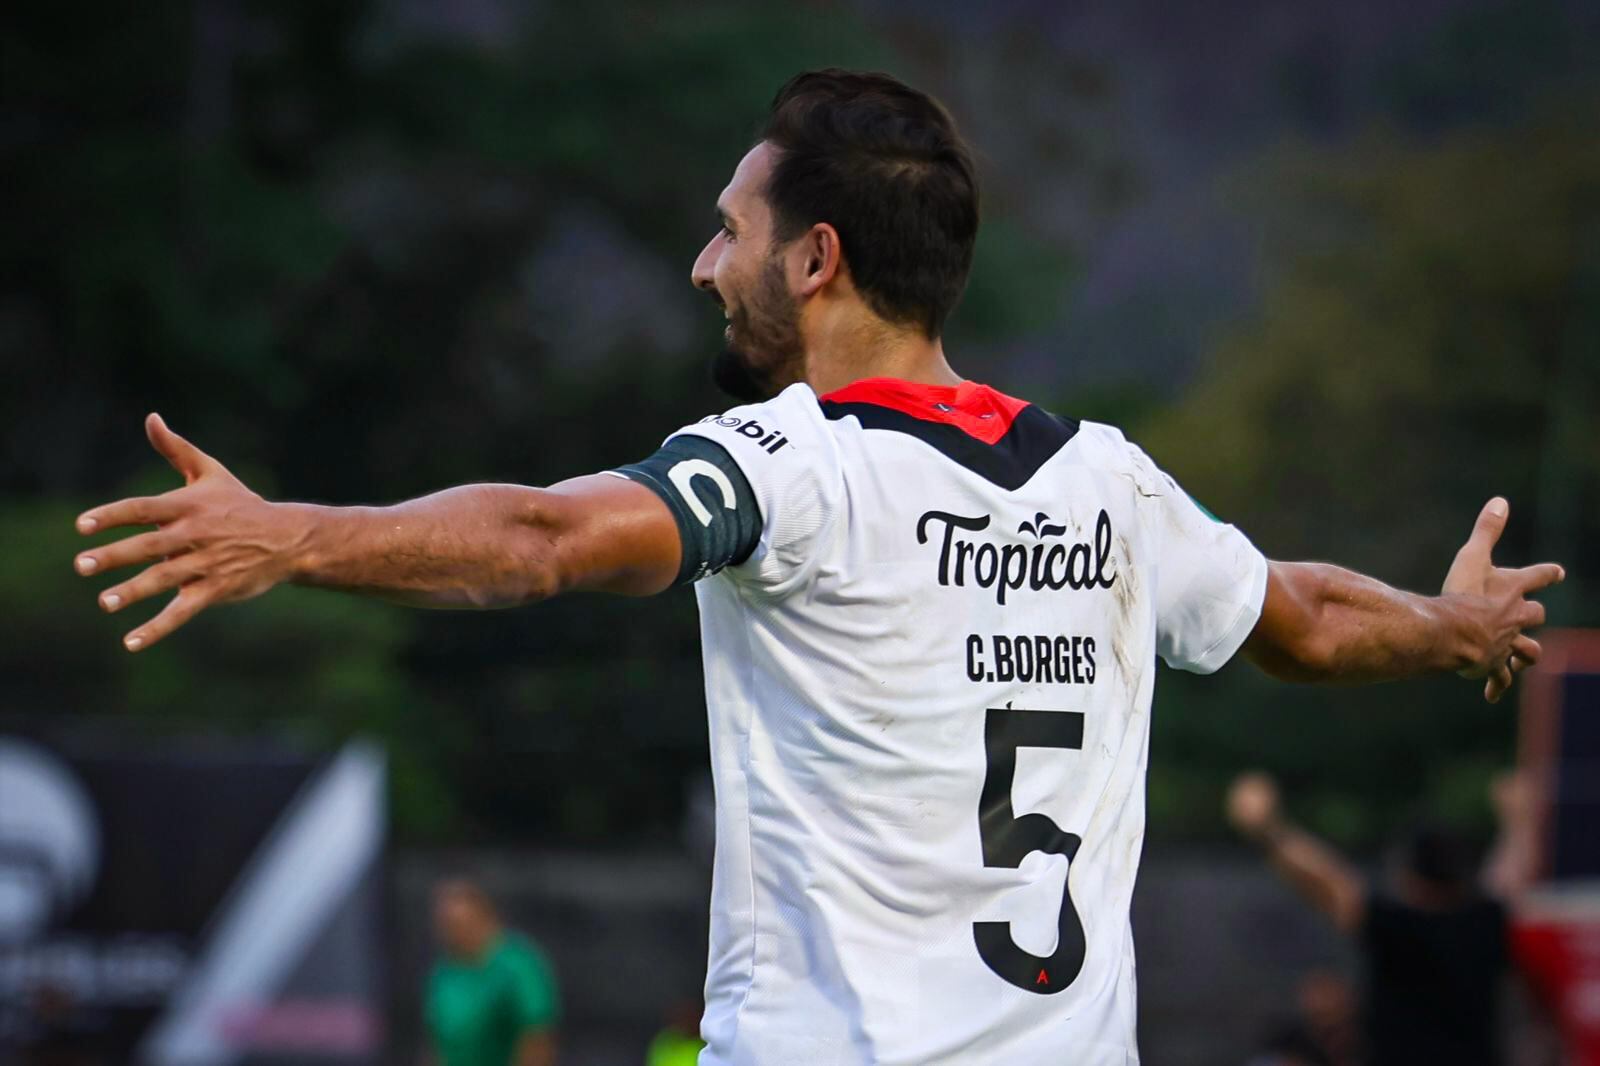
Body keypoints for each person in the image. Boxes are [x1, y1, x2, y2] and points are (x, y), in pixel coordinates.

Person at [74, 69, 1563, 1063]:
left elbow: (543, 538)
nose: (704, 262)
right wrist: (1445, 624)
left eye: (731, 229)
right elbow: (1299, 615)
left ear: (816, 259)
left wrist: (295, 533)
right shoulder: (1108, 482)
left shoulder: (796, 465)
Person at [1225, 771, 1537, 1066]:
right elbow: (1508, 877)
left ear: (1409, 876)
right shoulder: (1484, 923)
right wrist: (1519, 822)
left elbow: (1329, 882)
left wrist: (1270, 830)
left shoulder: (1395, 927)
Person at [423, 879, 559, 1066]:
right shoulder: (444, 972)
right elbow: (440, 1045)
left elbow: (537, 1035)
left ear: (485, 918)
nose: (452, 933)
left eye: (459, 924)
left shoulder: (517, 964)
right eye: (446, 925)